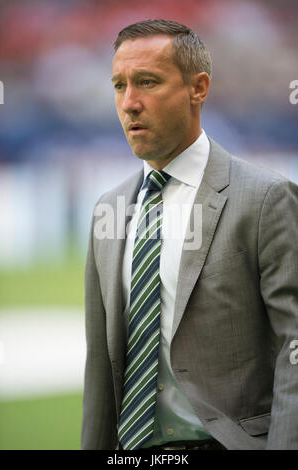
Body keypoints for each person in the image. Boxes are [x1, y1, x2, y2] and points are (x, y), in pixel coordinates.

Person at [81, 19, 298, 450]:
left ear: (198, 88)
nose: (130, 103)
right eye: (119, 86)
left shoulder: (265, 198)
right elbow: (101, 370)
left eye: (147, 82)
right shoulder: (109, 208)